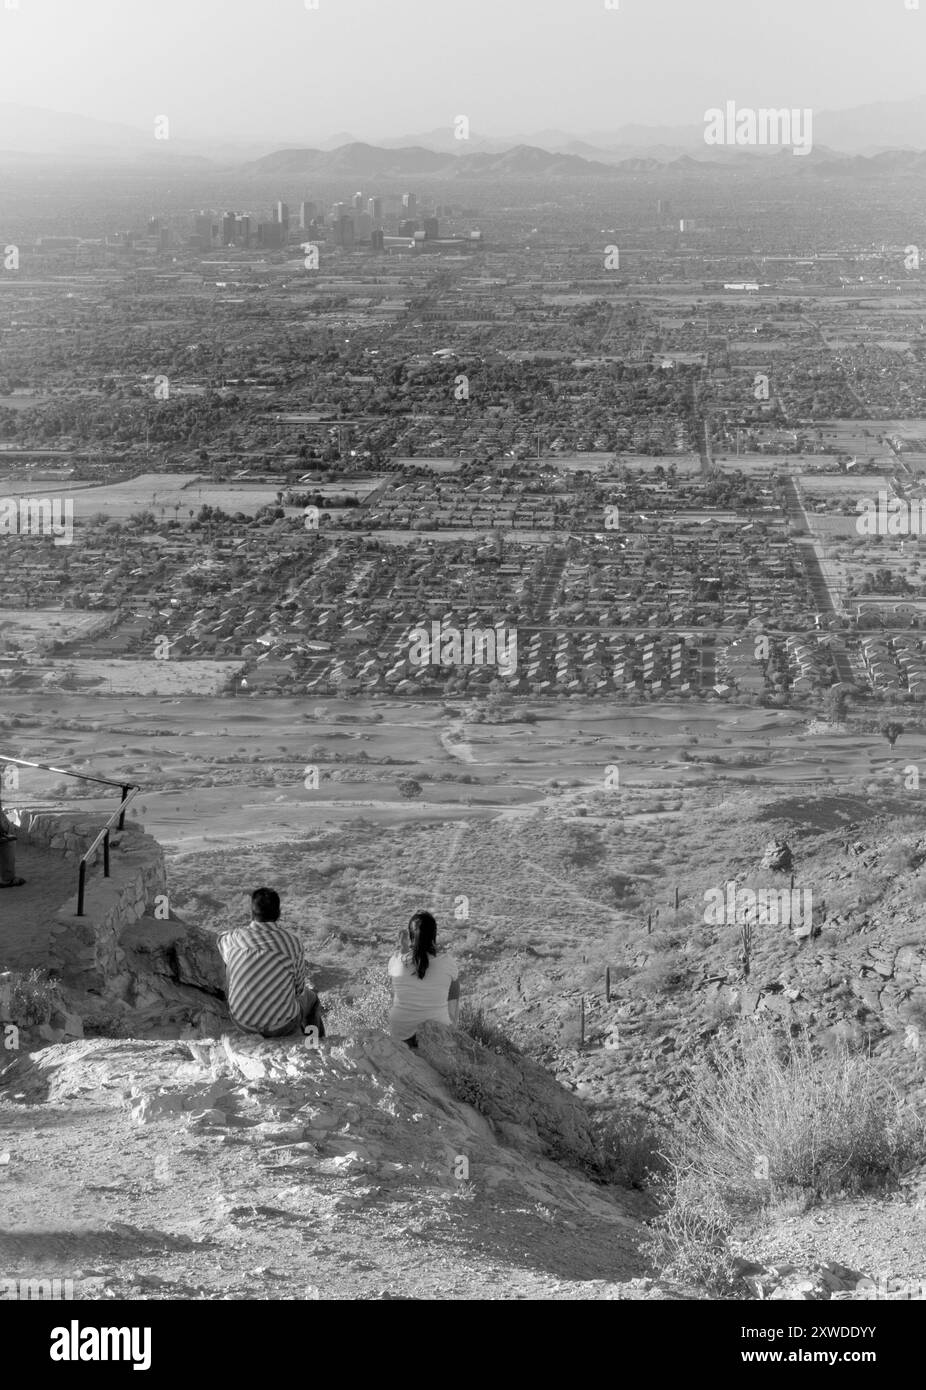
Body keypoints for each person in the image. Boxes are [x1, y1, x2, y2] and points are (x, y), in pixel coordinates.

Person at [218, 887, 325, 1039]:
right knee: (312, 1000)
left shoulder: (234, 938)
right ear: (278, 912)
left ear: (252, 912)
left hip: (242, 1021)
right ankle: (313, 1044)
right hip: (280, 1026)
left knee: (229, 961)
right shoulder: (292, 944)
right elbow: (299, 989)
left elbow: (220, 940)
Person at [388, 910, 460, 1049]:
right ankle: (452, 1029)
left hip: (400, 1034)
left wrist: (403, 948)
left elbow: (399, 989)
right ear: (434, 936)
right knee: (454, 983)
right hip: (435, 1035)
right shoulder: (447, 962)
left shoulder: (395, 961)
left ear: (410, 937)